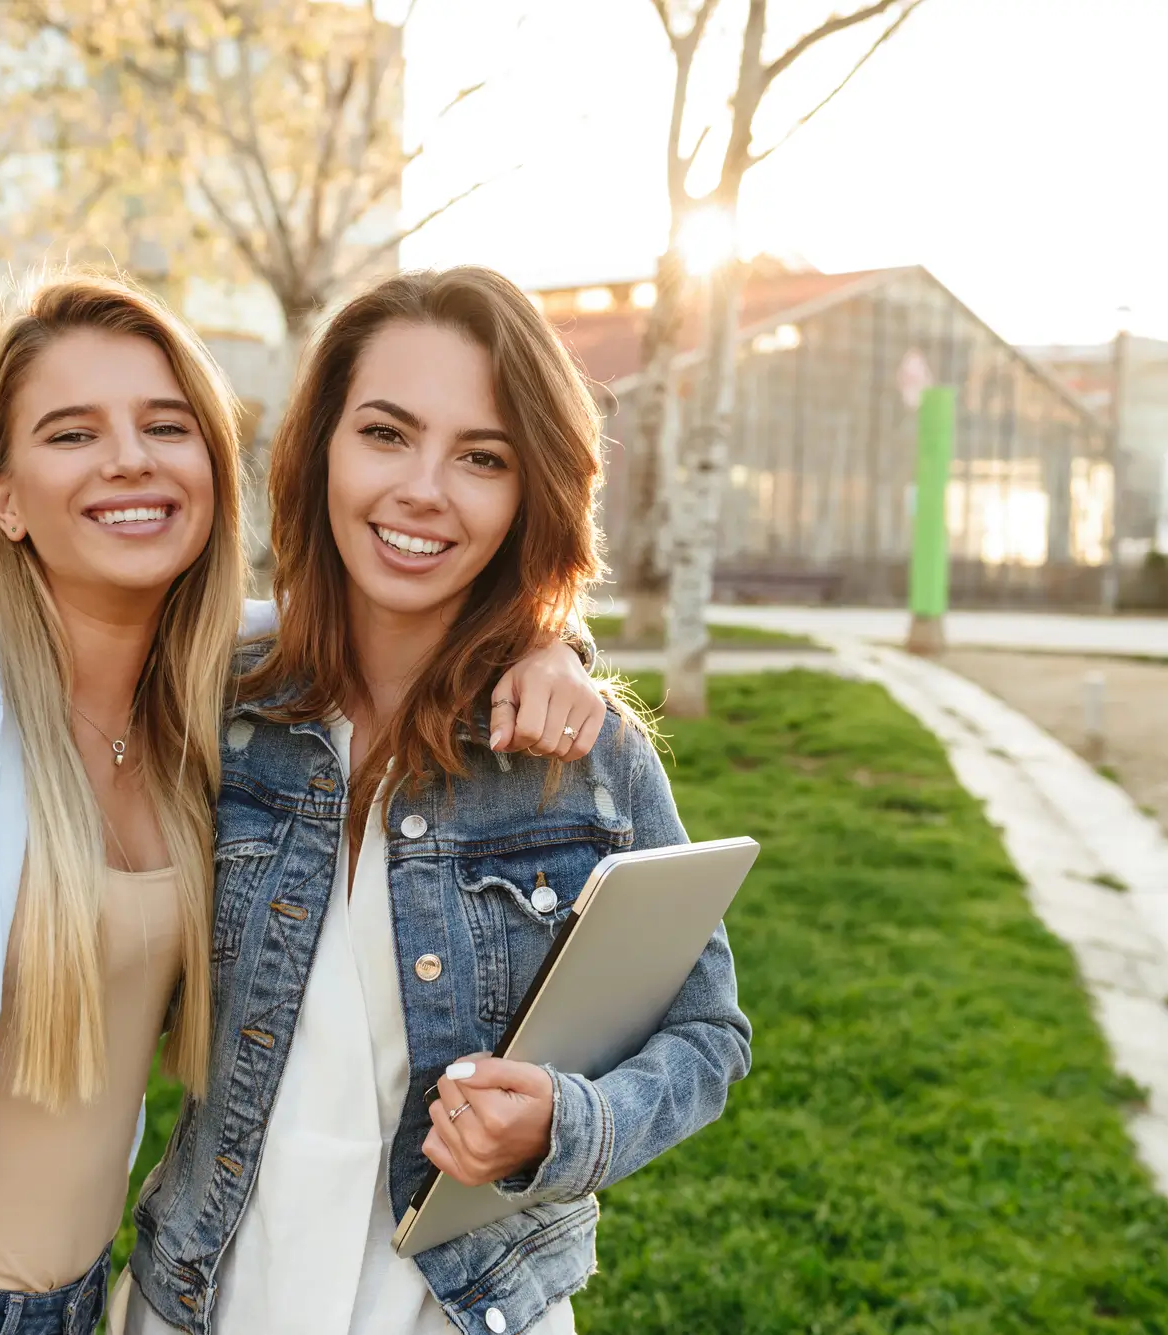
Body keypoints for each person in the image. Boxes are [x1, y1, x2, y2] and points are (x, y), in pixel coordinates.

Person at [0, 273, 605, 1335]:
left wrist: (548, 645)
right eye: (71, 433)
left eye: (164, 425)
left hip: (94, 1304)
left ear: (211, 474)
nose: (128, 459)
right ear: (1, 496)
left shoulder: (222, 699)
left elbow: (410, 627)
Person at [121, 268, 751, 1335]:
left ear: (527, 494)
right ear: (321, 445)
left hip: (457, 1311)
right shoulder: (210, 701)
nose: (424, 489)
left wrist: (568, 1122)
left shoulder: (582, 757)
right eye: (384, 434)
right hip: (211, 1297)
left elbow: (706, 1035)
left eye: (481, 457)